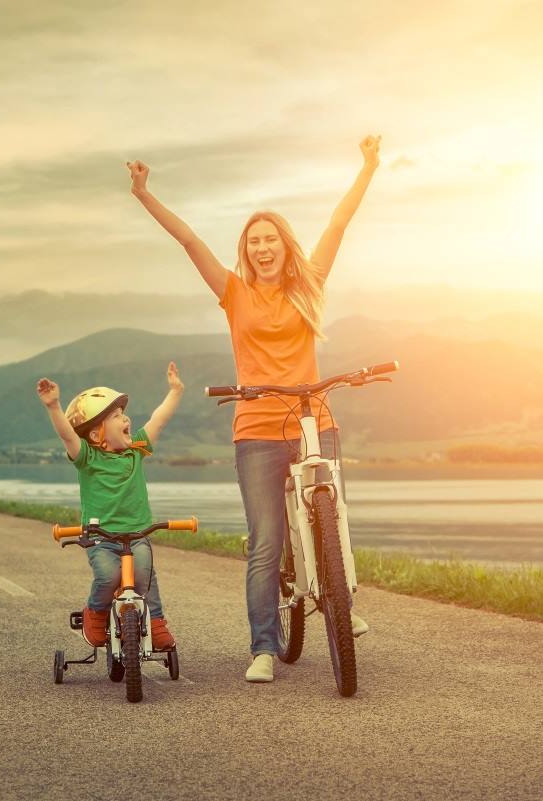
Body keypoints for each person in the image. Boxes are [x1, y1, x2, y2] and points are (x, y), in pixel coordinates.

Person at [127, 136, 381, 683]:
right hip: (258, 428)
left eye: (271, 240)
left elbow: (338, 224)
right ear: (247, 252)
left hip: (316, 419)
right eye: (254, 242)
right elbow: (189, 239)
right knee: (267, 540)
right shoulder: (234, 292)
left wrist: (368, 167)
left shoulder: (306, 285)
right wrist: (145, 194)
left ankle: (341, 602)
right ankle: (264, 646)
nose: (263, 248)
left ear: (285, 247)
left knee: (331, 516)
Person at [36, 362, 185, 651]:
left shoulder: (136, 451)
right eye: (116, 416)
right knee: (108, 576)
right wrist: (53, 406)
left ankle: (155, 623)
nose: (125, 418)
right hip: (100, 537)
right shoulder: (87, 457)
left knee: (145, 575)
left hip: (137, 533)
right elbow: (68, 435)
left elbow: (159, 420)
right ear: (95, 435)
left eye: (123, 413)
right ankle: (96, 612)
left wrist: (175, 392)